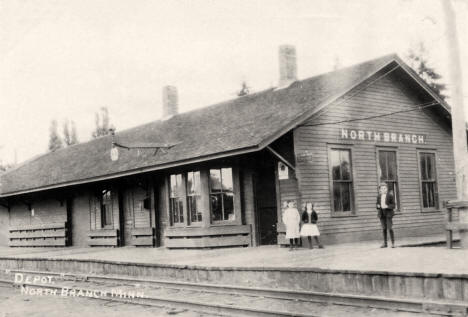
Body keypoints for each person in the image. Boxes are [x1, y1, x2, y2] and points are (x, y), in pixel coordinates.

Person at [376, 183, 396, 248]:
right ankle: (385, 243)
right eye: (382, 188)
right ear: (380, 190)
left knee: (390, 228)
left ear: (387, 189)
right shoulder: (379, 196)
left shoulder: (390, 196)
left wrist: (387, 206)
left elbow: (393, 205)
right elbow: (377, 205)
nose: (383, 189)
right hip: (382, 214)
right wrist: (378, 206)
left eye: (384, 188)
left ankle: (393, 243)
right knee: (384, 228)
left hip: (388, 214)